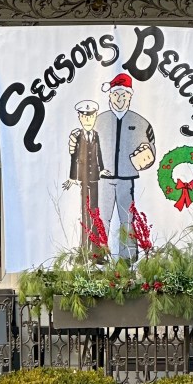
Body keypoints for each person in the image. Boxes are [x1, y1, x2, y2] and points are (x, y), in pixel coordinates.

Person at [69, 73, 155, 260]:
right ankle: (99, 257)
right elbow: (82, 142)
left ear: (130, 96)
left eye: (124, 94)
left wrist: (147, 156)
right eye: (116, 94)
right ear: (109, 96)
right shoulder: (99, 121)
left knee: (127, 218)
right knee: (101, 218)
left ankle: (128, 257)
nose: (120, 99)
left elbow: (150, 149)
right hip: (104, 179)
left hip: (127, 179)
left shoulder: (140, 123)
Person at [64, 99, 109, 238]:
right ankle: (85, 244)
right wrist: (72, 177)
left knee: (94, 210)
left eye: (91, 116)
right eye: (84, 117)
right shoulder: (77, 137)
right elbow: (74, 157)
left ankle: (95, 245)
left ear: (95, 117)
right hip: (83, 177)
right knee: (85, 210)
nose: (88, 120)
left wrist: (101, 169)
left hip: (94, 177)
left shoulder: (96, 135)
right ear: (79, 117)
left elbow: (98, 153)